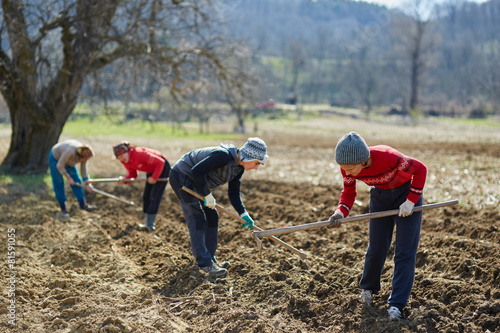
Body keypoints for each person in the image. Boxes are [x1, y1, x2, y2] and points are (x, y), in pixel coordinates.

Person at [328, 132, 427, 320]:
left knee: (404, 251)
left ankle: (396, 305)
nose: (346, 173)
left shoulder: (389, 157)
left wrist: (411, 201)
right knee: (376, 247)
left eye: (350, 168)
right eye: (343, 168)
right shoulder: (347, 167)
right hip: (380, 196)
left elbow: (421, 169)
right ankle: (368, 289)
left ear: (364, 161)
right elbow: (349, 193)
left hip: (406, 195)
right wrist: (340, 212)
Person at [169, 137, 268, 277]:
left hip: (196, 181)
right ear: (248, 157)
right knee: (197, 218)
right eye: (257, 163)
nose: (256, 167)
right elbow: (196, 171)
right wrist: (207, 195)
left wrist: (243, 213)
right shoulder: (223, 156)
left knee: (212, 216)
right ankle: (205, 264)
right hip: (182, 177)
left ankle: (211, 259)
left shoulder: (238, 168)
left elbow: (233, 192)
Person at [113, 142, 171, 232]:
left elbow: (160, 162)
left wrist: (155, 177)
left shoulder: (138, 154)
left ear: (127, 151)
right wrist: (124, 180)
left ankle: (150, 225)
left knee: (154, 196)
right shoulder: (125, 161)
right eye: (118, 157)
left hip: (162, 168)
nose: (121, 158)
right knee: (146, 196)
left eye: (122, 155)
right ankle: (146, 223)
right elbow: (133, 174)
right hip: (151, 169)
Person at [49, 139, 97, 221]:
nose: (85, 161)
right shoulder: (70, 151)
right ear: (81, 157)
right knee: (59, 183)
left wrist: (87, 183)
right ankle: (63, 209)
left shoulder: (84, 153)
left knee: (77, 181)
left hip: (69, 161)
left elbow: (83, 169)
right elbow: (60, 165)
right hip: (56, 159)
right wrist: (68, 177)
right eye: (85, 159)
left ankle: (83, 204)